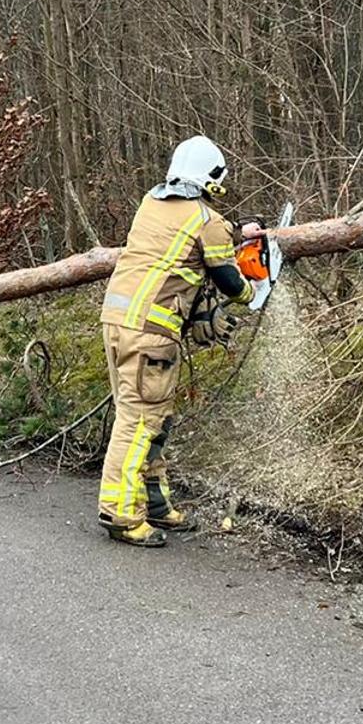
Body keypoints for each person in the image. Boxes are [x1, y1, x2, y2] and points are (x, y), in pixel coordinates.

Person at [96, 136, 262, 547]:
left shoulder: (151, 203)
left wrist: (239, 232)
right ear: (212, 179)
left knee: (153, 418)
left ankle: (155, 505)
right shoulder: (207, 221)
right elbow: (226, 276)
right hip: (151, 334)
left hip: (117, 323)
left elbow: (192, 237)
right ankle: (120, 514)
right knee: (139, 424)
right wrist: (250, 295)